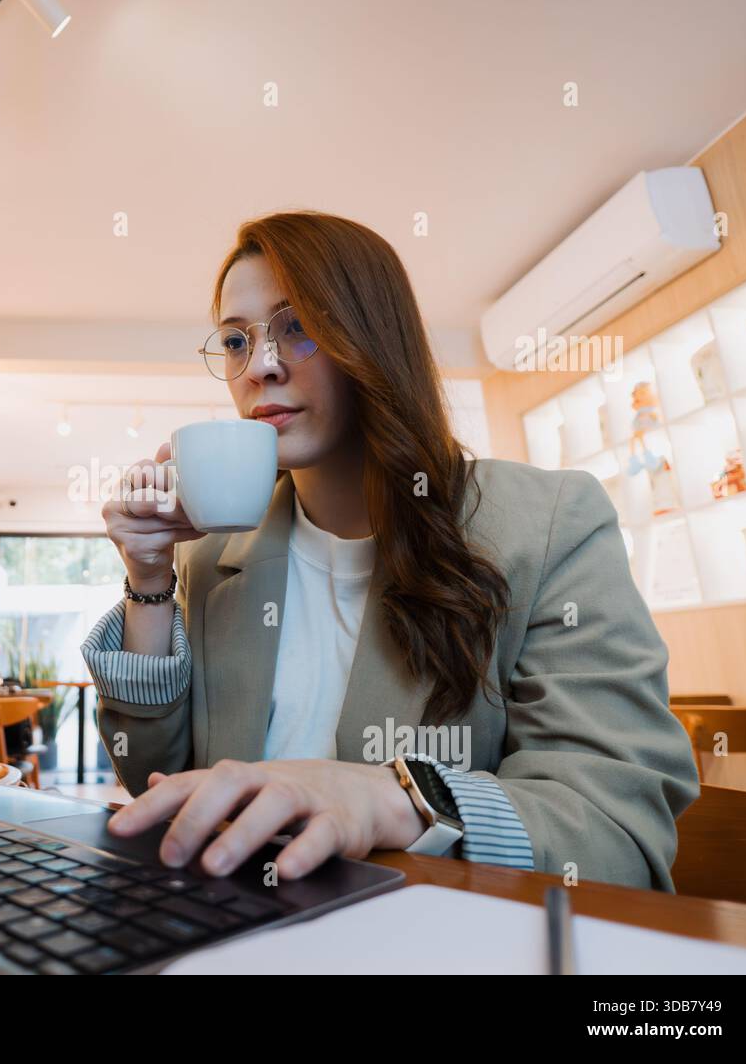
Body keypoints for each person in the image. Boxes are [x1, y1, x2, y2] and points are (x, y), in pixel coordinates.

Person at [80, 210, 699, 891]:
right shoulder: (212, 554)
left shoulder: (552, 525)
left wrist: (395, 799)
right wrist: (148, 581)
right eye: (235, 339)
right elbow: (152, 782)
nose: (260, 366)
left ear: (373, 337)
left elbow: (615, 831)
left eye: (298, 326)